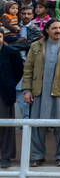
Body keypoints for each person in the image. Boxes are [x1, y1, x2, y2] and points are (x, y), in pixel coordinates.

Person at [22, 14, 60, 167]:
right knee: (37, 126)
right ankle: (37, 156)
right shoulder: (35, 47)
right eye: (54, 28)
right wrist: (27, 90)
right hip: (39, 92)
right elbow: (28, 70)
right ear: (47, 30)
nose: (58, 31)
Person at [0, 30, 23, 168]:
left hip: (4, 94)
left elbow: (18, 72)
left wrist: (9, 84)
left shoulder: (11, 52)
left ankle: (6, 156)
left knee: (5, 126)